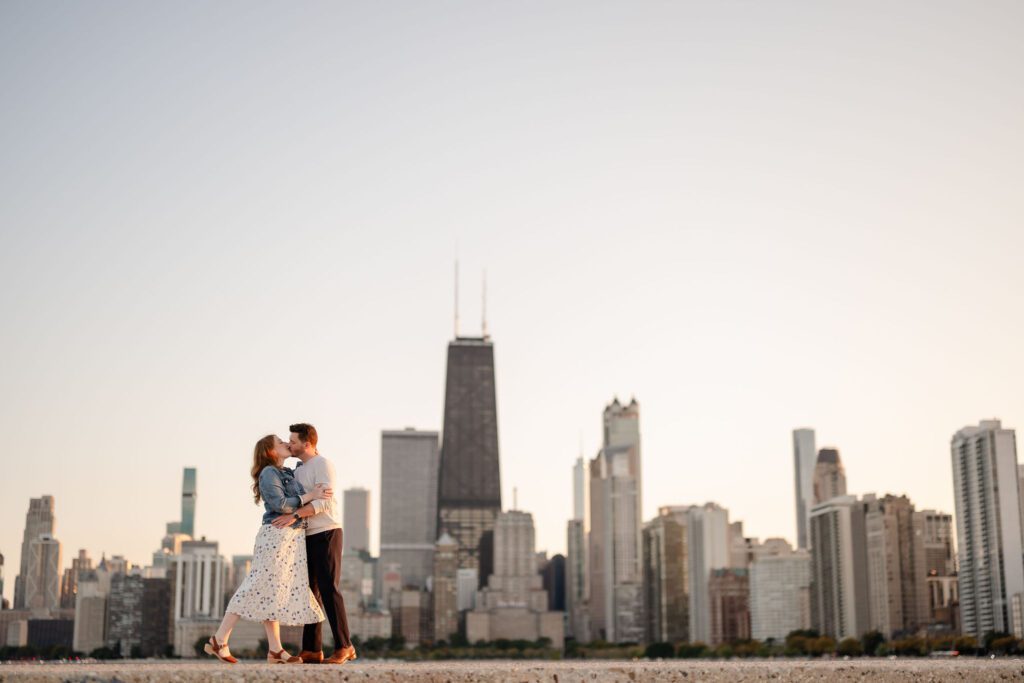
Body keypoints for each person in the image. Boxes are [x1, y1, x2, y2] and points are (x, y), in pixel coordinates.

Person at [204, 434, 330, 664]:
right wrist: (311, 496)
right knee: (255, 584)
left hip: (292, 537)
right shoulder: (269, 473)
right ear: (271, 451)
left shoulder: (287, 472)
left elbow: (309, 460)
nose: (286, 444)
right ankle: (219, 639)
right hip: (276, 535)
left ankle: (275, 650)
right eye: (281, 442)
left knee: (272, 590)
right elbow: (279, 505)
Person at [269, 422, 356, 664]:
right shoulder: (297, 471)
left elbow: (322, 503)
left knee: (330, 589)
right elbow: (297, 500)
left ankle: (344, 646)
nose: (289, 444)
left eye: (293, 441)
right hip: (305, 536)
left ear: (307, 443)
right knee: (310, 594)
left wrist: (294, 515)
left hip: (327, 532)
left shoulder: (323, 464)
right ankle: (311, 649)